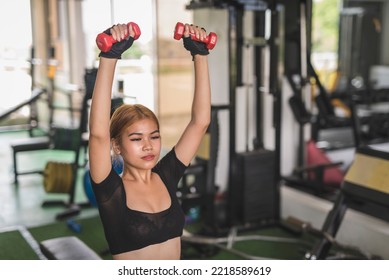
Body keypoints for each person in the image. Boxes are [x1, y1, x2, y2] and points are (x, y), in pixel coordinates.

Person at [88, 22, 211, 260]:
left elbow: (200, 122)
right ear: (116, 145)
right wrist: (109, 56)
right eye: (136, 139)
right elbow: (98, 134)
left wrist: (200, 54)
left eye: (154, 136)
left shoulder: (166, 175)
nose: (148, 145)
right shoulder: (110, 190)